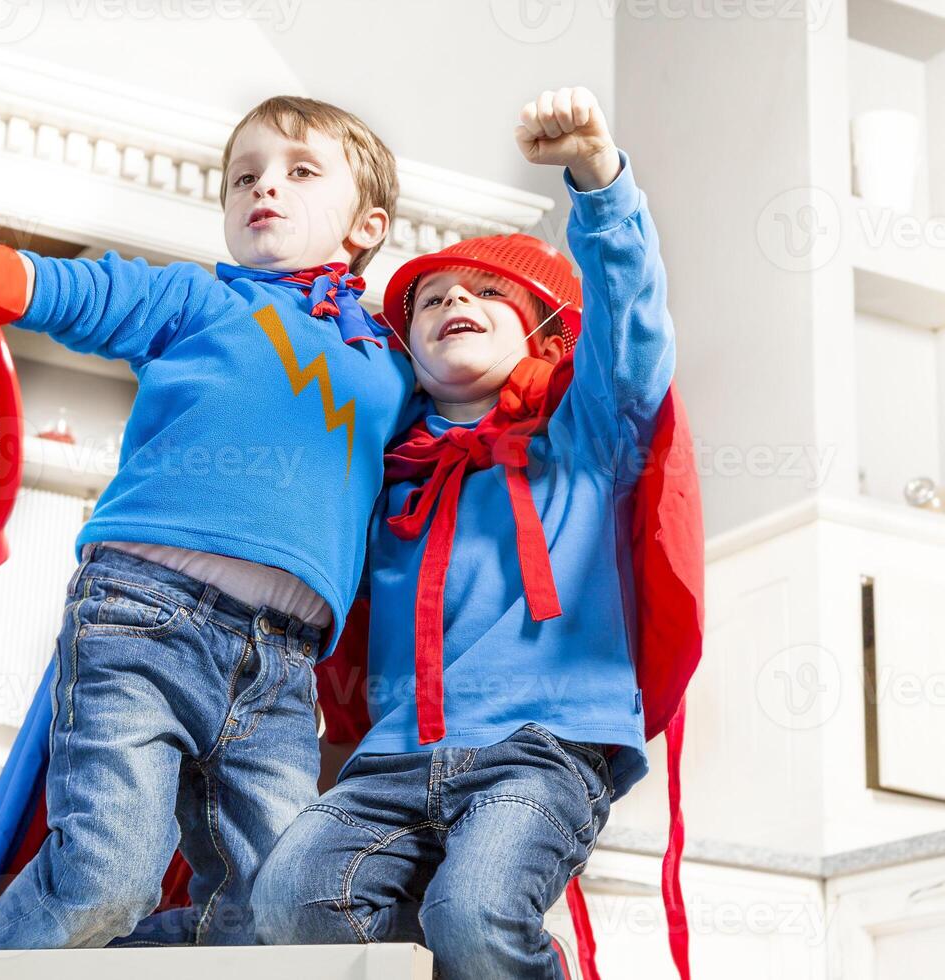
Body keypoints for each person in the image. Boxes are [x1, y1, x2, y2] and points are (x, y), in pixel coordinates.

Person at [0, 95, 414, 953]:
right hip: (142, 621)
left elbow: (469, 425)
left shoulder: (390, 360)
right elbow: (83, 291)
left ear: (365, 226)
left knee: (274, 919)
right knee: (108, 880)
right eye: (245, 177)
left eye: (301, 172)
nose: (264, 188)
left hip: (282, 670)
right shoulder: (201, 301)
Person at [252, 86, 702, 980]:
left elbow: (631, 327)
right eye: (431, 300)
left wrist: (597, 180)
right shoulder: (383, 470)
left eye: (485, 292)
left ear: (540, 324)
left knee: (473, 911)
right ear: (406, 347)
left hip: (543, 747)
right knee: (288, 900)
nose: (455, 299)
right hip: (391, 760)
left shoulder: (586, 431)